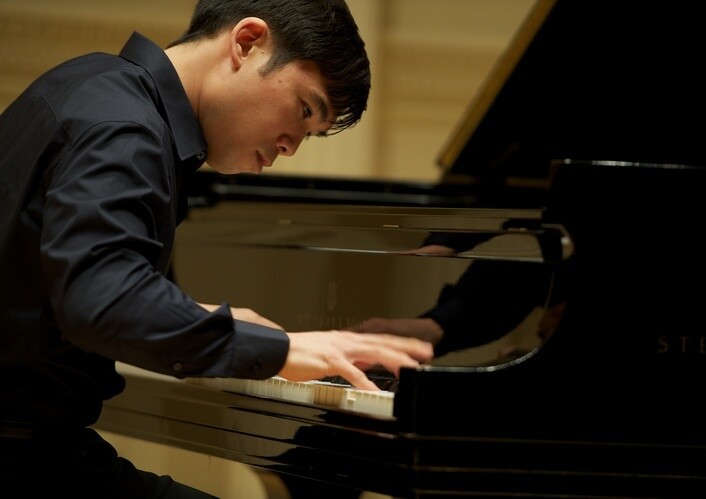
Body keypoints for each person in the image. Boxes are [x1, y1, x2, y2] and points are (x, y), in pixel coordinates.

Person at [0, 0, 434, 497]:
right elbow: (102, 303)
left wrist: (206, 318)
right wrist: (285, 351)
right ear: (247, 42)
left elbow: (55, 291)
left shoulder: (94, 84)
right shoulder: (126, 129)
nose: (291, 146)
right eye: (304, 108)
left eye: (309, 135)